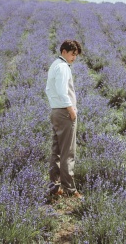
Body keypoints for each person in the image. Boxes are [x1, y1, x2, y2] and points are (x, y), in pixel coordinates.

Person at [45, 39, 83, 199]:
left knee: (57, 151)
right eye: (72, 54)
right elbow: (62, 91)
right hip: (64, 112)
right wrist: (70, 109)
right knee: (68, 151)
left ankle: (55, 186)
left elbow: (48, 89)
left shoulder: (55, 65)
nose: (74, 58)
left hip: (55, 111)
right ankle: (70, 190)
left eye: (76, 55)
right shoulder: (63, 67)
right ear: (64, 52)